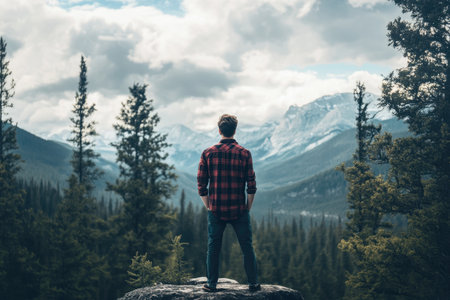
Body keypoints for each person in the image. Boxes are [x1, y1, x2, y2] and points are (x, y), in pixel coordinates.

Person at [197, 114, 261, 292]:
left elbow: (201, 184)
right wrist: (247, 207)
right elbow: (251, 185)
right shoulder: (244, 153)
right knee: (247, 247)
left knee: (213, 248)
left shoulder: (208, 153)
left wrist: (209, 206)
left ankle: (211, 284)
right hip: (239, 209)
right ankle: (253, 283)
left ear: (219, 130)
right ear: (235, 130)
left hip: (216, 210)